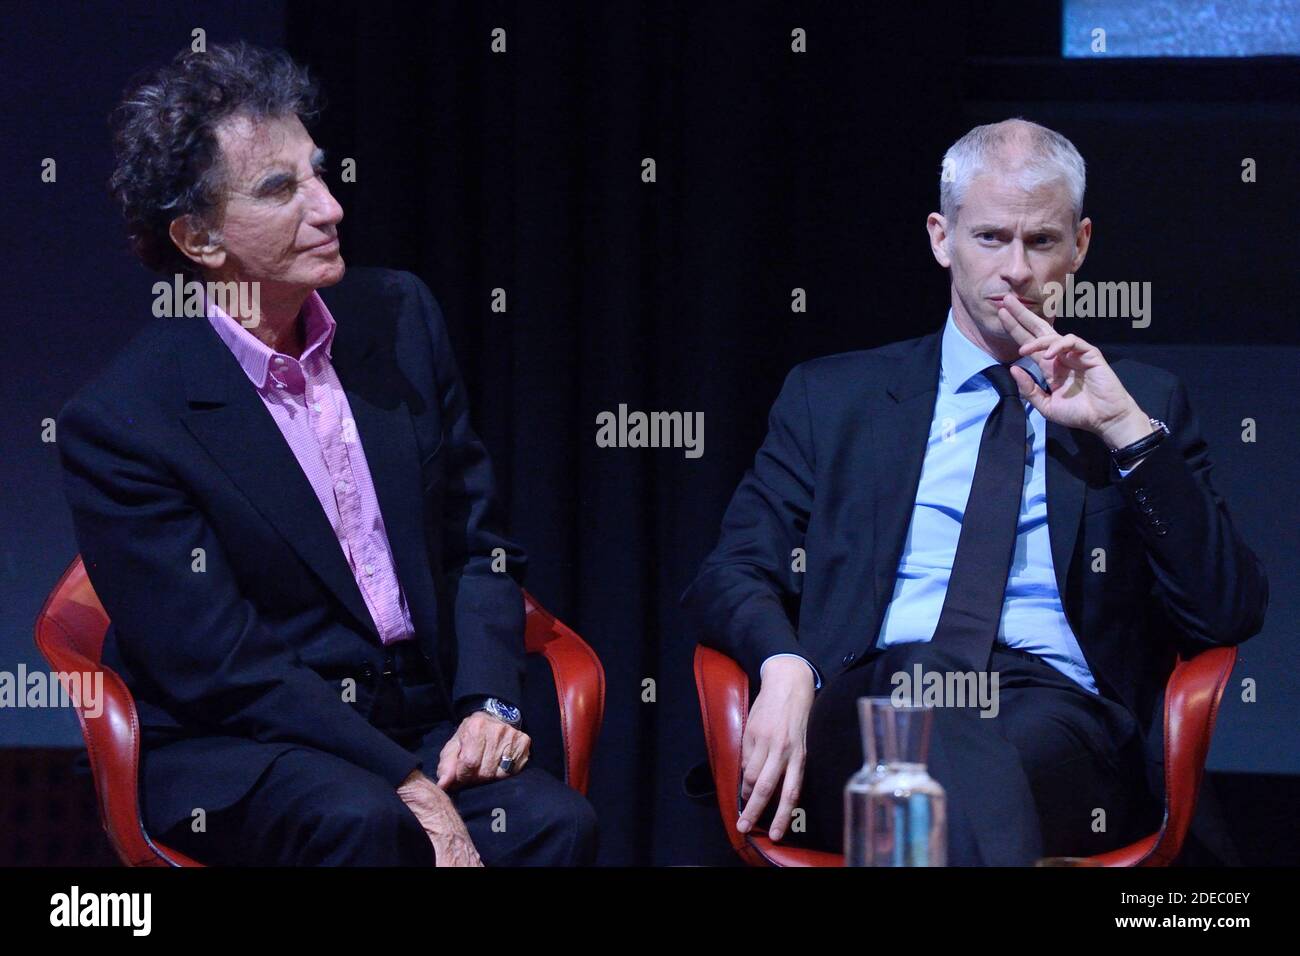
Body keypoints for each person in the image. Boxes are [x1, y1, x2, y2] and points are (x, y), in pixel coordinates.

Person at [56, 42, 596, 866]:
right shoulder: (125, 421)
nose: (331, 206)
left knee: (556, 826)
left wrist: (491, 703)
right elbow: (219, 667)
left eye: (320, 172)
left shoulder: (399, 317)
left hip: (418, 716)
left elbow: (477, 544)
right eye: (282, 190)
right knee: (366, 825)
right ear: (200, 239)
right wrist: (405, 784)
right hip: (251, 743)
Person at [682, 118, 1267, 864]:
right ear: (941, 237)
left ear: (1081, 246)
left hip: (1054, 715)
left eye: (1042, 242)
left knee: (964, 771)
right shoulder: (834, 398)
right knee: (923, 693)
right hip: (870, 701)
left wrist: (1123, 430)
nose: (1016, 269)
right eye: (991, 238)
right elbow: (731, 571)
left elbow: (1227, 609)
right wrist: (784, 663)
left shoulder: (1141, 402)